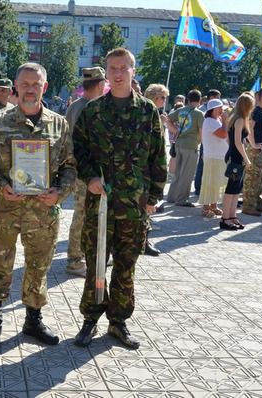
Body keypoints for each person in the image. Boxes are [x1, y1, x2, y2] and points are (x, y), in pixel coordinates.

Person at [0, 62, 77, 349]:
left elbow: (70, 166)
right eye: (25, 84)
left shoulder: (59, 124)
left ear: (44, 87)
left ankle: (33, 320)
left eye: (36, 84)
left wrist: (60, 192)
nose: (30, 89)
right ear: (15, 88)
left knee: (38, 266)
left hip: (43, 212)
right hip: (5, 209)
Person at [72, 47, 166, 349]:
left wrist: (153, 196)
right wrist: (91, 178)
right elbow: (80, 151)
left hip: (134, 204)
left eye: (124, 67)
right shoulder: (93, 110)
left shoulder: (148, 111)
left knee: (126, 264)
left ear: (133, 71)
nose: (118, 72)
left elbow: (158, 156)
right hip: (100, 203)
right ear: (106, 72)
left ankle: (118, 321)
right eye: (112, 68)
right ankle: (91, 317)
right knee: (96, 261)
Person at [65, 66, 106, 276]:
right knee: (82, 215)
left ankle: (83, 254)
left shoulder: (74, 106)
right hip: (86, 172)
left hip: (78, 169)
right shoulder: (92, 108)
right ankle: (74, 260)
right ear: (100, 85)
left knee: (84, 214)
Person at [221, 93, 260, 229]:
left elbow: (237, 139)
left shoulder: (239, 118)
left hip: (235, 156)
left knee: (237, 189)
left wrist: (253, 146)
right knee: (231, 188)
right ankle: (225, 218)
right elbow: (238, 142)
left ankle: (232, 216)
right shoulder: (238, 120)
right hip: (236, 157)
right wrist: (246, 159)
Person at [143, 83, 170, 256]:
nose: (165, 101)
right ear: (155, 97)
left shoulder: (159, 115)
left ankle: (144, 239)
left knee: (148, 209)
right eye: (163, 97)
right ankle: (143, 241)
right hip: (146, 170)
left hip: (156, 166)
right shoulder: (147, 115)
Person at [165, 89, 204, 206]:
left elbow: (167, 119)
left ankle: (171, 197)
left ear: (188, 99)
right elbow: (201, 132)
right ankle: (181, 199)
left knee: (177, 173)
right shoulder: (198, 113)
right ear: (200, 100)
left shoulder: (181, 110)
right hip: (191, 145)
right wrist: (199, 142)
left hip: (179, 144)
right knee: (187, 174)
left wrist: (174, 130)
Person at [243, 87, 262, 216]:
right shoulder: (255, 111)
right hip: (256, 152)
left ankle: (257, 203)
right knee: (252, 179)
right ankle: (248, 206)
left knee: (260, 180)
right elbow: (249, 127)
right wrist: (253, 144)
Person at [198, 99, 228, 218]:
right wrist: (225, 121)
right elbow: (223, 134)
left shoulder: (215, 120)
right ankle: (206, 207)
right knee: (209, 182)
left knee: (217, 182)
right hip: (213, 156)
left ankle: (213, 205)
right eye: (221, 108)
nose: (222, 110)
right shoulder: (210, 121)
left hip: (218, 156)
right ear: (214, 109)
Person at [195, 89, 222, 196]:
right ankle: (199, 188)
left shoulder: (215, 112)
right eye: (217, 98)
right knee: (202, 166)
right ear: (212, 98)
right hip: (206, 142)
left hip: (211, 142)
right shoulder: (203, 111)